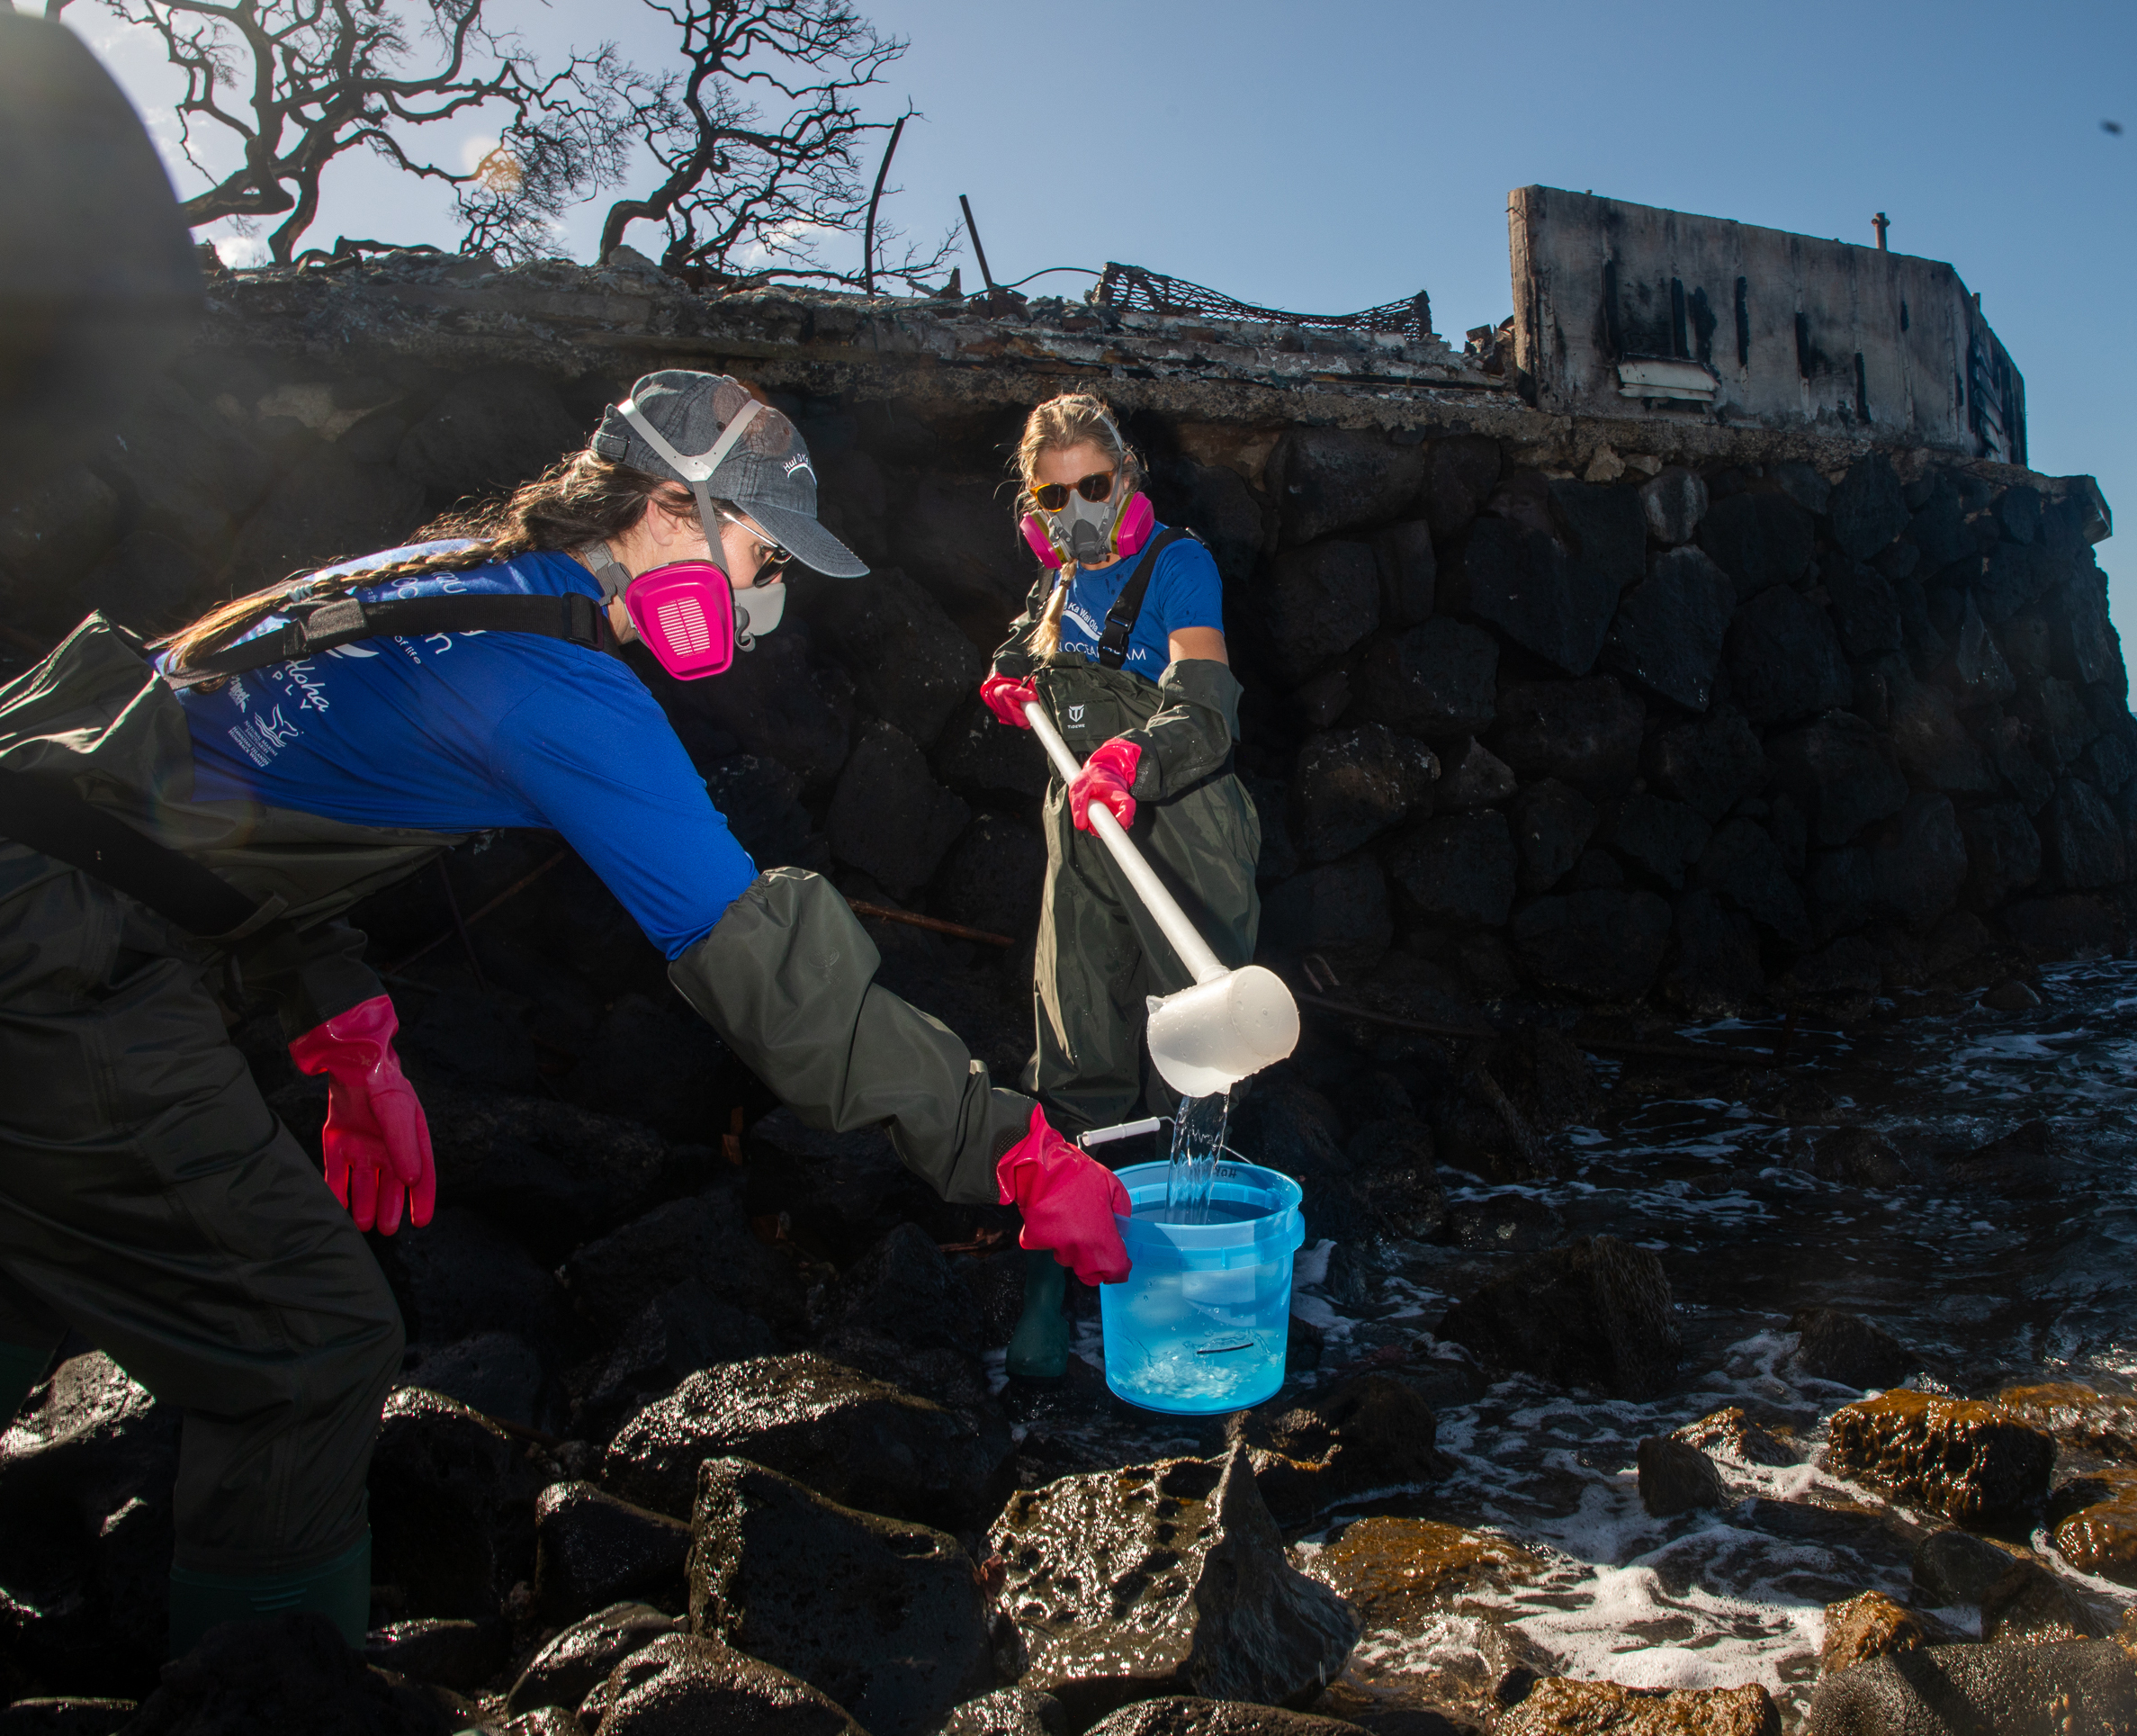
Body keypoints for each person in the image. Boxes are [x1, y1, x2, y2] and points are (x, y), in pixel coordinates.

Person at [0, 370, 1131, 1659]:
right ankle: (262, 1691)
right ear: (667, 508)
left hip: (39, 882)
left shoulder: (454, 570)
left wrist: (344, 1024)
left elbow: (215, 793)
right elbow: (778, 988)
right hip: (53, 975)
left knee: (25, 1267)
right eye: (763, 554)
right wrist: (1011, 1147)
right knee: (308, 1346)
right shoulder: (564, 689)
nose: (766, 599)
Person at [978, 394, 1261, 1380]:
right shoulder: (1053, 577)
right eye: (1054, 495)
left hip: (1179, 826)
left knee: (1193, 1062)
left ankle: (1183, 1285)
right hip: (1083, 835)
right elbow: (1027, 643)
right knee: (1074, 1045)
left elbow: (1207, 706)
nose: (1076, 510)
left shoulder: (1178, 565)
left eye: (1093, 486)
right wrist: (1011, 677)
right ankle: (1055, 1284)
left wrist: (1134, 757)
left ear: (1127, 477)